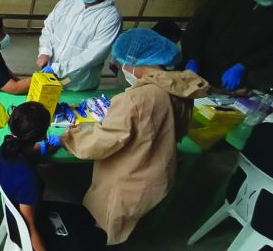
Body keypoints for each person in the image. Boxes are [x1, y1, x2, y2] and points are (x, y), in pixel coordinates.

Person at [61, 28, 209, 245]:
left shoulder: (135, 99)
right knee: (127, 221)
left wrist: (70, 137)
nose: (122, 67)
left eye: (122, 63)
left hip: (129, 180)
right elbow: (177, 129)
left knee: (107, 227)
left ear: (132, 62)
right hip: (158, 172)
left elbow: (103, 142)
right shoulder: (178, 88)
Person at [0, 102, 106, 251]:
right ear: (42, 135)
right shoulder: (28, 180)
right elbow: (30, 228)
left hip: (26, 210)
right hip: (24, 228)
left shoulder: (8, 145)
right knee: (99, 236)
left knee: (84, 214)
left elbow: (35, 149)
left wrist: (60, 140)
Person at [181, 0, 273, 92]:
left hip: (231, 79)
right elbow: (196, 28)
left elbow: (269, 48)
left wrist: (243, 65)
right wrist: (192, 58)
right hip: (200, 65)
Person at [36, 0, 121, 91]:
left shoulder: (110, 17)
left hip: (79, 81)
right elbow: (49, 28)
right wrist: (45, 52)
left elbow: (94, 54)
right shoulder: (69, 2)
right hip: (50, 72)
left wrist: (58, 69)